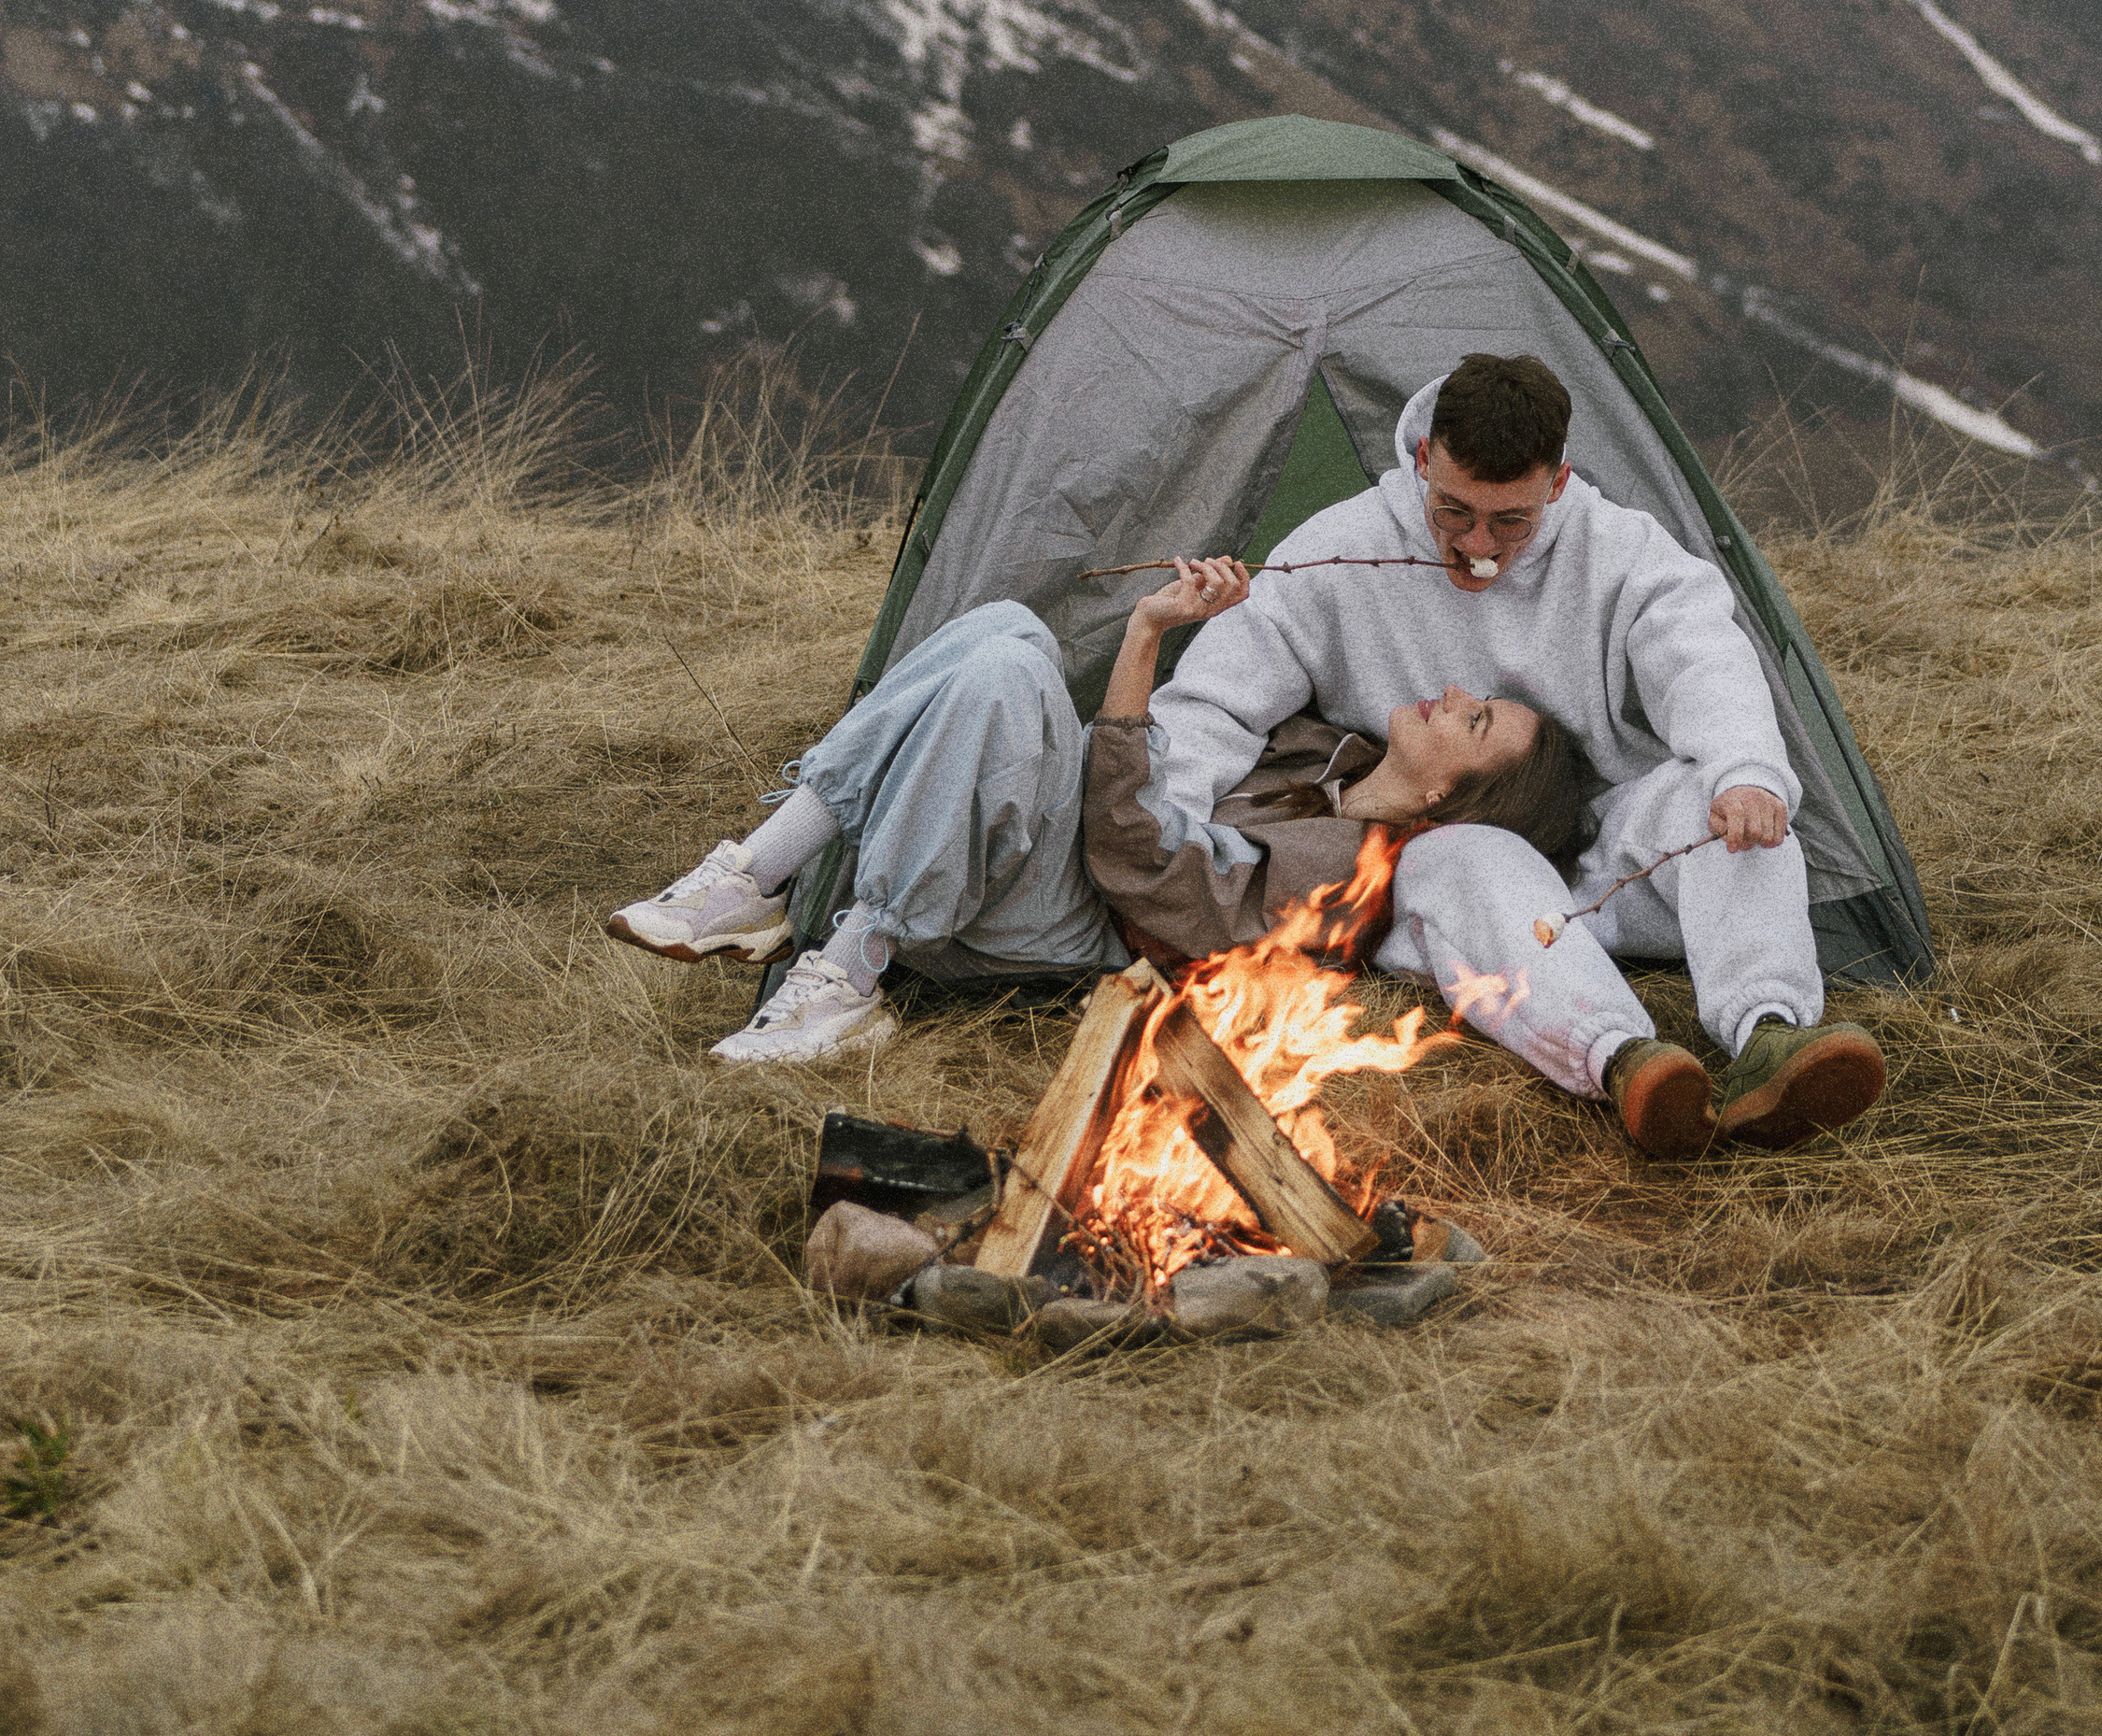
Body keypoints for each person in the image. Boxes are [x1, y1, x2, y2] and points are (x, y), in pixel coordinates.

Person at [1140, 350, 1885, 1159]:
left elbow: (1702, 654)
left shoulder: (1619, 551)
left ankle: (1769, 1030)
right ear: (1423, 460)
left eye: (1510, 523)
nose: (1478, 545)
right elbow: (1214, 700)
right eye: (1453, 511)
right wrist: (1163, 836)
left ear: (1556, 484)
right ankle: (1626, 1061)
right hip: (1445, 849)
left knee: (1721, 795)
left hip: (1596, 855)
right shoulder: (1340, 550)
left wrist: (1745, 773)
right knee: (1466, 856)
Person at [604, 555, 1595, 1066]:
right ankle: (754, 876)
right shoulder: (1326, 753)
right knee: (1009, 630)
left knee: (1009, 672)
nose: (1453, 695)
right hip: (1063, 846)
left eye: (1473, 721)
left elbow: (1137, 860)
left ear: (1447, 797)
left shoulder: (1341, 874)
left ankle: (857, 965)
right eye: (1475, 697)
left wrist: (1145, 637)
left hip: (1071, 917)